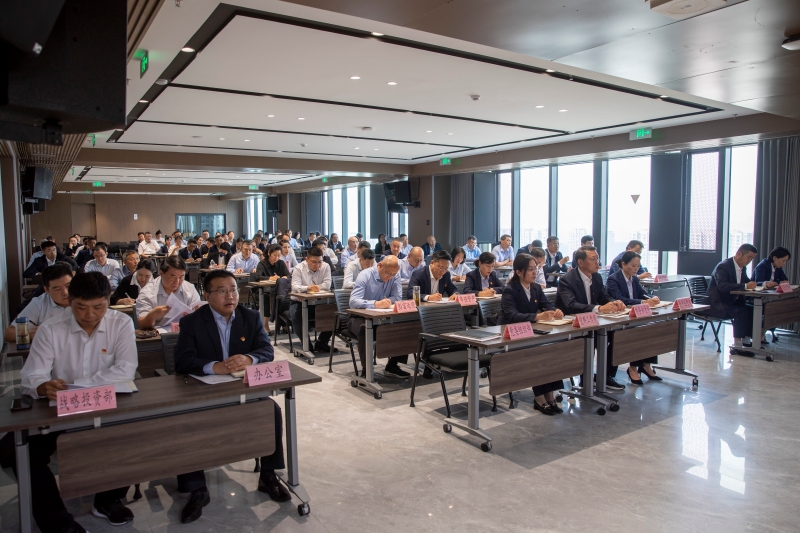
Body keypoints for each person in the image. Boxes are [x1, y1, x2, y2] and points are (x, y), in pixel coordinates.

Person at [13, 272, 137, 532]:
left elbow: (125, 369)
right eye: (81, 307)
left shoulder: (121, 323)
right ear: (69, 302)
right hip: (63, 407)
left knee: (137, 434)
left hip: (107, 403)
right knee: (18, 451)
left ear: (109, 300)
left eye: (98, 307)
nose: (90, 315)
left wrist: (77, 385)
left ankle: (108, 499)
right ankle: (58, 523)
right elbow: (32, 375)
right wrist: (42, 385)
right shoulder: (51, 329)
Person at [172, 270, 290, 523]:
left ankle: (268, 476)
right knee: (185, 421)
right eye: (222, 291)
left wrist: (249, 358)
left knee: (271, 410)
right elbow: (181, 361)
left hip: (241, 390)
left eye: (233, 289)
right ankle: (197, 489)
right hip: (204, 392)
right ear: (207, 296)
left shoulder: (250, 317)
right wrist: (213, 367)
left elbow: (266, 351)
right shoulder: (192, 322)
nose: (230, 296)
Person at [499, 254, 566, 415]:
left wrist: (555, 311)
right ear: (519, 272)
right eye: (530, 269)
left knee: (553, 349)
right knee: (539, 353)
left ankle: (550, 394)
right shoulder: (510, 290)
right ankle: (539, 397)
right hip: (511, 335)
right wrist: (538, 316)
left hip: (531, 332)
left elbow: (546, 304)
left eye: (535, 268)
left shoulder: (535, 288)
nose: (534, 272)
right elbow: (512, 315)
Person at [556, 246, 627, 390]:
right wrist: (598, 309)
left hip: (593, 322)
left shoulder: (597, 277)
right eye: (593, 259)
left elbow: (604, 297)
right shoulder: (567, 280)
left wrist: (614, 302)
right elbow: (571, 305)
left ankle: (604, 376)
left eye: (597, 258)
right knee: (592, 340)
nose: (597, 262)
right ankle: (586, 381)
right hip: (572, 325)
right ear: (580, 262)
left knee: (617, 336)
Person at [606, 251, 662, 384]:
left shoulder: (635, 279)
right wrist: (643, 302)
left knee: (652, 329)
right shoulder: (614, 279)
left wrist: (652, 298)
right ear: (623, 264)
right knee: (636, 334)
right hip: (620, 317)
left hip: (635, 315)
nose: (636, 269)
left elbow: (643, 294)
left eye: (638, 266)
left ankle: (646, 365)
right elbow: (621, 299)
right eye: (633, 266)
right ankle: (632, 368)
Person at [348, 256, 405, 377]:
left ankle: (392, 365)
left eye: (393, 274)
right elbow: (353, 301)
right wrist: (375, 304)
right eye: (388, 273)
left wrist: (388, 301)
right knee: (364, 330)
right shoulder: (365, 275)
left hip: (383, 317)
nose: (390, 277)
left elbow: (397, 297)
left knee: (405, 326)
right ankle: (367, 371)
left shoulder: (395, 275)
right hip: (359, 317)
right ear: (379, 265)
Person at [707, 244, 760, 356]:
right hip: (717, 304)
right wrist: (745, 286)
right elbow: (722, 286)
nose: (750, 261)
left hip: (731, 302)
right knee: (741, 311)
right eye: (749, 257)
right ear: (739, 254)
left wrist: (760, 284)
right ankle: (737, 346)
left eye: (752, 258)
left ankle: (746, 340)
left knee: (752, 309)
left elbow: (746, 282)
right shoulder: (723, 266)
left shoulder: (742, 267)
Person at [4, 264, 73, 342]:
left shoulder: (83, 298)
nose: (65, 292)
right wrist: (31, 334)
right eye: (57, 289)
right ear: (46, 290)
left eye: (68, 286)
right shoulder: (39, 303)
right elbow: (9, 334)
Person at [136, 255, 202, 331]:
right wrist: (152, 316)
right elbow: (142, 325)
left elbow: (198, 315)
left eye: (181, 277)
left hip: (185, 331)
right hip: (158, 335)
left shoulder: (189, 289)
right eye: (172, 276)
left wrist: (197, 315)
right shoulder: (147, 292)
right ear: (161, 273)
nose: (177, 281)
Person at [290, 246, 333, 352]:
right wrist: (308, 288)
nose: (317, 265)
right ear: (307, 259)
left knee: (333, 314)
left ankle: (322, 342)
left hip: (319, 302)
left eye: (319, 262)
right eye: (314, 262)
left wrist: (315, 288)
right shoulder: (298, 268)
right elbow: (295, 286)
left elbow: (327, 285)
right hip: (299, 302)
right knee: (297, 315)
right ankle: (307, 345)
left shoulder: (326, 266)